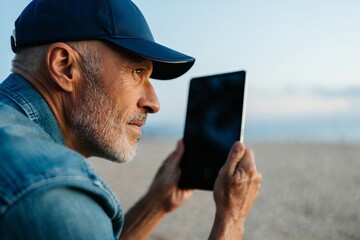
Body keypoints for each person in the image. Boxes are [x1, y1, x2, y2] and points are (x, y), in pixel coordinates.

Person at [0, 0, 262, 239]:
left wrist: (156, 203)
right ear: (65, 67)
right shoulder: (52, 192)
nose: (154, 103)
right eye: (137, 71)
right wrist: (232, 220)